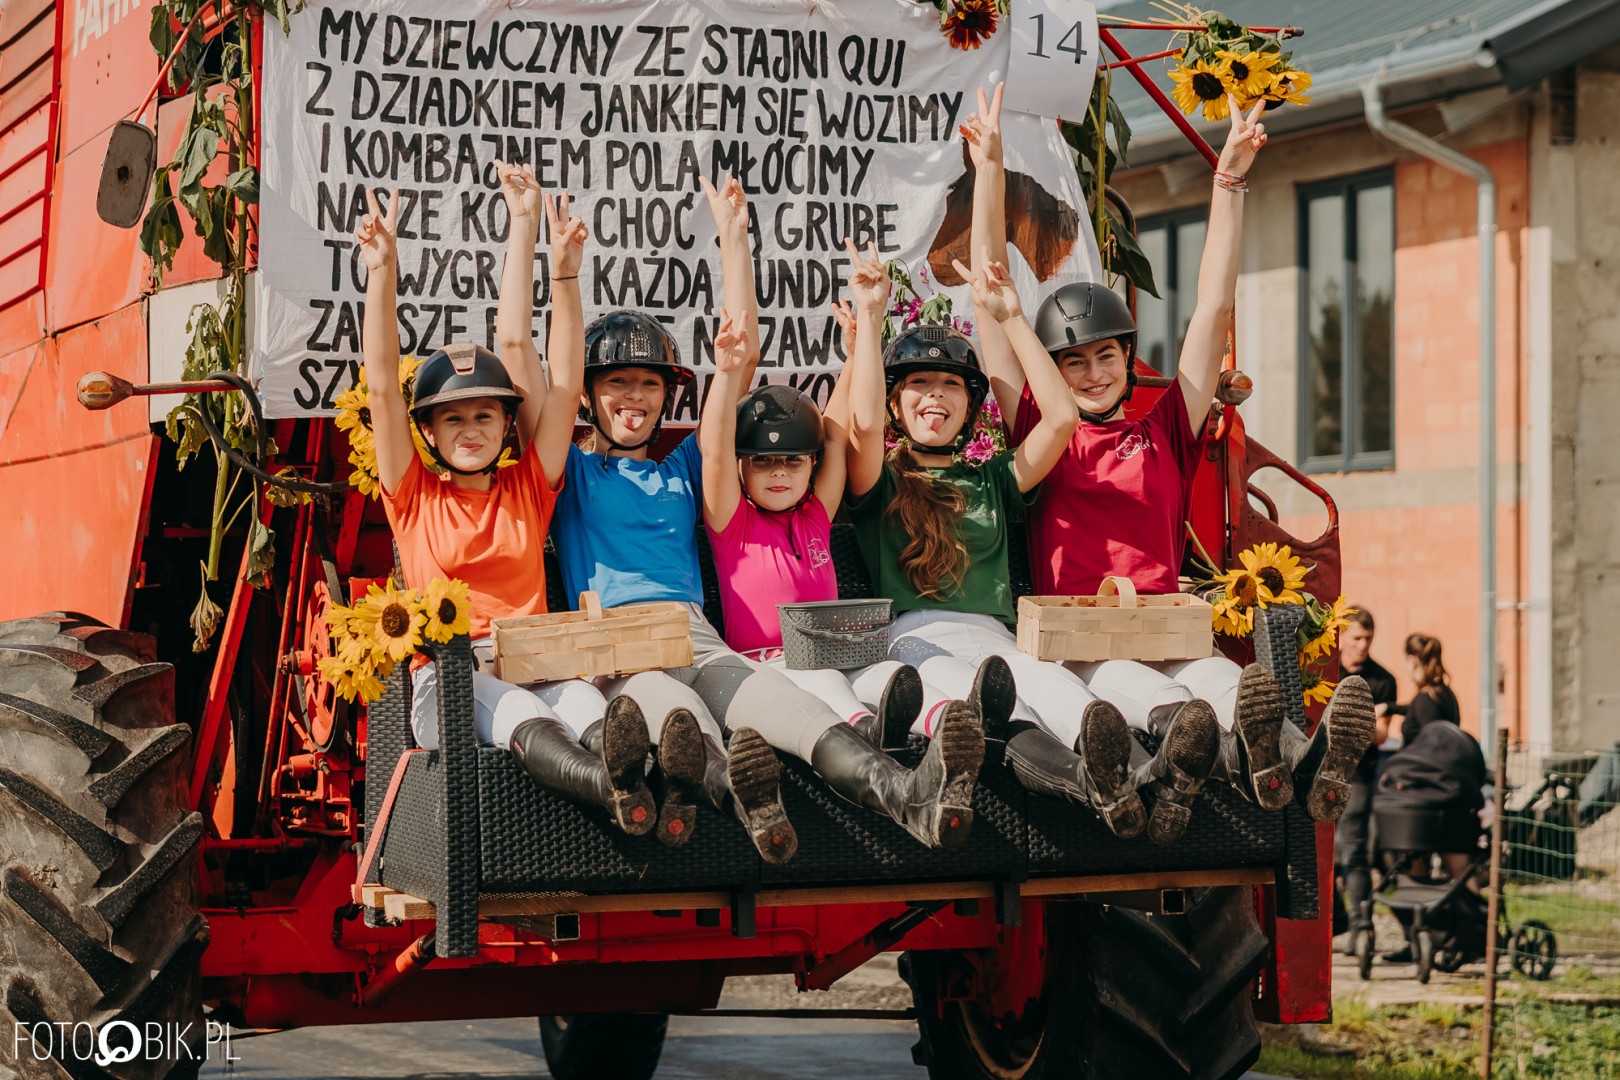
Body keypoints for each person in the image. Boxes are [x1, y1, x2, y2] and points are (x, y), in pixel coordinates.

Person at [963, 82, 1374, 825]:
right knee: (1145, 691)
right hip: (1082, 644)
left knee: (1221, 681)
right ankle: (1194, 772)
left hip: (1167, 624)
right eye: (1074, 363)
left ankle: (1304, 764)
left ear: (1128, 359)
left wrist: (1230, 183)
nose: (1092, 374)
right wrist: (989, 168)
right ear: (1054, 373)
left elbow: (1212, 309)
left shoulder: (1164, 429)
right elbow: (992, 300)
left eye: (1106, 358)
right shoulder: (1040, 426)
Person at [547, 174, 986, 854]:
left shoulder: (687, 468)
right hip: (621, 652)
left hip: (696, 638)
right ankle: (754, 812)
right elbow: (544, 372)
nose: (633, 398)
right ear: (589, 395)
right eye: (616, 385)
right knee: (688, 728)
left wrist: (734, 235)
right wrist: (564, 277)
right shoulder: (570, 471)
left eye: (648, 385)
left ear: (668, 396)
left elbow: (738, 351)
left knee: (801, 714)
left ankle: (907, 797)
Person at [842, 238, 1198, 845]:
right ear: (899, 405)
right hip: (913, 637)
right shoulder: (879, 479)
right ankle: (1096, 788)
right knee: (994, 702)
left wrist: (1010, 315)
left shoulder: (994, 479)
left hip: (1000, 637)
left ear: (971, 403)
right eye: (919, 385)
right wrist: (872, 318)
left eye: (952, 385)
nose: (935, 396)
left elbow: (1060, 419)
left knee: (1055, 690)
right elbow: (864, 423)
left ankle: (1147, 781)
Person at [354, 172, 677, 838]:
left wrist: (555, 263)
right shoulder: (411, 495)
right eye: (453, 420)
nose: (471, 429)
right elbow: (384, 388)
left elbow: (561, 387)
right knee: (505, 708)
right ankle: (613, 791)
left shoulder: (529, 488)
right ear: (431, 436)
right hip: (449, 684)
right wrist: (382, 272)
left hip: (540, 666)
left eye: (485, 416)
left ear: (507, 426)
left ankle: (641, 784)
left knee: (592, 705)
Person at [1333, 607, 1401, 945]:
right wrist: (1366, 717)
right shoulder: (1322, 669)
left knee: (1354, 851)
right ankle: (1336, 922)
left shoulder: (1382, 679)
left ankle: (1362, 928)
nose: (1362, 645)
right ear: (1342, 634)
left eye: (1368, 639)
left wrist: (1349, 720)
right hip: (1319, 769)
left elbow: (1381, 735)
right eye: (1357, 637)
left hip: (1357, 773)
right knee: (1315, 851)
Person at [1390, 633, 1460, 745]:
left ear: (1412, 661)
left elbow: (1433, 742)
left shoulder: (1425, 698)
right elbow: (1416, 710)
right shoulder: (1444, 692)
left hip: (1422, 762)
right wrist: (1388, 707)